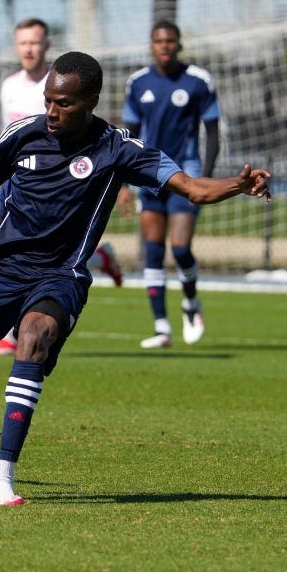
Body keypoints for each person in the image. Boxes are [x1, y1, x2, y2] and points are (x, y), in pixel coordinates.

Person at [0, 51, 270, 505]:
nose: (52, 112)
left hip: (60, 275)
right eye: (48, 100)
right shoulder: (23, 135)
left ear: (92, 100)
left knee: (36, 335)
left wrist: (237, 183)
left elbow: (192, 188)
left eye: (65, 103)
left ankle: (2, 475)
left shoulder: (119, 149)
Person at [0, 17, 122, 357]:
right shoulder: (8, 85)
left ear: (46, 46)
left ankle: (8, 334)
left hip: (61, 182)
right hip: (16, 178)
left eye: (35, 42)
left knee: (52, 252)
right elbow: (8, 133)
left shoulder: (62, 83)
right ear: (16, 46)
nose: (29, 48)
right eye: (23, 42)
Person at [119, 20, 220, 349]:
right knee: (152, 250)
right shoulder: (138, 83)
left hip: (185, 175)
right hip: (147, 176)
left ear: (178, 44)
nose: (164, 46)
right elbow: (128, 138)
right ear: (151, 45)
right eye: (158, 41)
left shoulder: (198, 81)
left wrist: (204, 177)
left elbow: (213, 133)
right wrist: (122, 183)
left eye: (170, 41)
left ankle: (191, 301)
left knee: (179, 249)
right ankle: (162, 327)